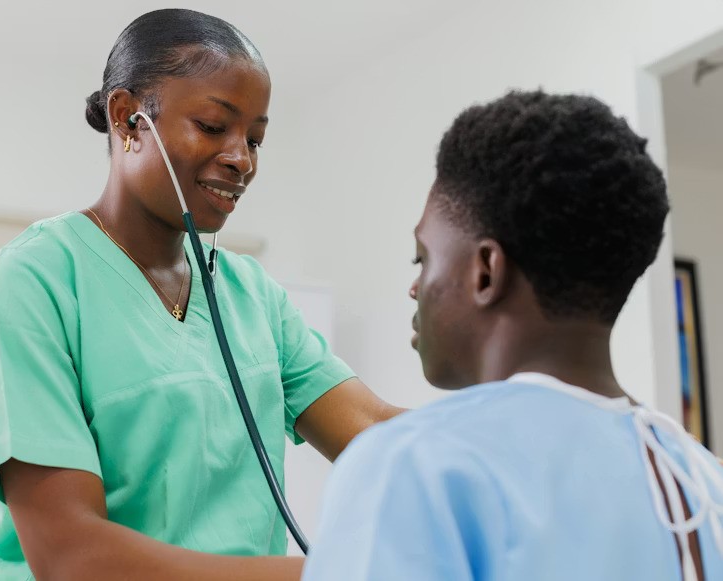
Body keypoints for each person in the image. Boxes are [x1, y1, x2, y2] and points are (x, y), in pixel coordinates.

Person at [0, 9, 402, 580]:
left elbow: (378, 433)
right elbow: (71, 556)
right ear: (127, 118)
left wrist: (509, 423)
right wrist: (337, 573)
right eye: (213, 126)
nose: (242, 159)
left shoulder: (253, 296)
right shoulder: (35, 279)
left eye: (255, 139)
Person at [302, 90, 723, 581]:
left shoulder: (411, 462)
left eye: (423, 258)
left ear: (486, 271)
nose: (415, 287)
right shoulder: (700, 479)